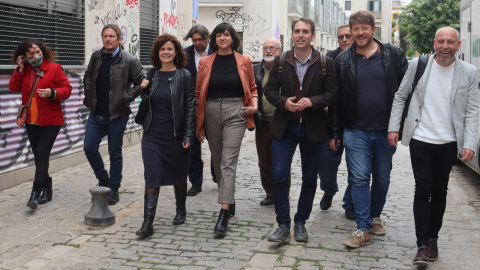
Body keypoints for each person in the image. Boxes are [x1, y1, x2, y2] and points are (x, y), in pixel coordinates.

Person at [388, 26, 479, 265]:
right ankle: (421, 246)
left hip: (449, 143)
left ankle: (433, 239)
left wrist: (470, 143)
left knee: (439, 191)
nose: (445, 46)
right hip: (421, 139)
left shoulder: (469, 72)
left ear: (458, 45)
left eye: (451, 42)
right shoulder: (418, 65)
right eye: (441, 42)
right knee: (423, 189)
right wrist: (393, 127)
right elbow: (400, 96)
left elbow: (472, 110)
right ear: (434, 43)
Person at [331, 11, 408, 248]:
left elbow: (407, 92)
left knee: (382, 177)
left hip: (387, 131)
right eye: (355, 29)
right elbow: (336, 99)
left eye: (364, 28)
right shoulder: (342, 60)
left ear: (373, 30)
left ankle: (375, 216)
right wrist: (335, 132)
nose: (360, 33)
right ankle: (363, 228)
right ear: (351, 32)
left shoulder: (393, 54)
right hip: (355, 131)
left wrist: (401, 123)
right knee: (359, 178)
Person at [264, 17, 338, 243]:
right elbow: (269, 91)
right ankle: (283, 224)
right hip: (285, 127)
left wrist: (313, 101)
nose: (301, 35)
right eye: (297, 31)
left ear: (312, 36)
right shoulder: (281, 60)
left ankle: (300, 222)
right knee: (278, 175)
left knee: (309, 177)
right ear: (292, 34)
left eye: (305, 31)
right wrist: (284, 102)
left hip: (313, 128)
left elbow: (333, 93)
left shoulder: (325, 62)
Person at [196, 22, 258, 236]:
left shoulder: (244, 60)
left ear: (233, 38)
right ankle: (228, 198)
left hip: (236, 111)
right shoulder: (205, 62)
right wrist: (200, 122)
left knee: (228, 162)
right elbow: (198, 94)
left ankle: (223, 213)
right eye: (219, 35)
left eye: (226, 34)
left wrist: (255, 104)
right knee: (217, 159)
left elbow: (252, 87)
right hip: (211, 110)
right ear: (214, 39)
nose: (223, 38)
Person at [135, 34, 195, 237]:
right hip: (152, 134)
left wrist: (188, 135)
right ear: (157, 53)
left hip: (176, 134)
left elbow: (189, 107)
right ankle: (147, 223)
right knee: (152, 175)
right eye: (162, 49)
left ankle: (181, 209)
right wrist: (141, 89)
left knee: (179, 174)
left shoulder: (184, 76)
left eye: (170, 49)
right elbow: (143, 101)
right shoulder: (151, 74)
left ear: (176, 52)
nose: (166, 52)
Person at [83, 24, 144, 205]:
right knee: (89, 148)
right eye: (105, 36)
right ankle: (103, 180)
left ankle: (114, 188)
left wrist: (126, 97)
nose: (108, 39)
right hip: (96, 114)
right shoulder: (96, 56)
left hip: (117, 114)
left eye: (111, 36)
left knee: (114, 152)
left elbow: (141, 83)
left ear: (119, 39)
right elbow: (87, 75)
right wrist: (88, 90)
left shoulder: (129, 60)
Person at [9, 39, 72, 209]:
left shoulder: (54, 68)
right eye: (30, 54)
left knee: (42, 153)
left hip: (51, 120)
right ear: (24, 57)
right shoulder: (25, 70)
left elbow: (67, 90)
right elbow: (13, 87)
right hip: (31, 120)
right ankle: (48, 185)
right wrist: (20, 69)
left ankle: (36, 192)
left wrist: (52, 92)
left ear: (42, 50)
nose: (35, 55)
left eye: (37, 51)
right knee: (39, 155)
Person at [319, 24, 354, 215]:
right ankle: (329, 189)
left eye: (348, 36)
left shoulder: (361, 59)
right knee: (325, 163)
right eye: (341, 37)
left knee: (356, 168)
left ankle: (350, 203)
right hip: (330, 122)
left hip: (355, 123)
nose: (345, 40)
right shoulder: (327, 60)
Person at [253, 38, 291, 206]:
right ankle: (270, 193)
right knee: (264, 162)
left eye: (272, 48)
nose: (268, 51)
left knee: (282, 162)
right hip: (262, 123)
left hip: (283, 123)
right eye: (265, 47)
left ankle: (282, 193)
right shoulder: (255, 70)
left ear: (280, 50)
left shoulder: (287, 69)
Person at [183, 24, 215, 196]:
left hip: (212, 105)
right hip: (191, 107)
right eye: (194, 40)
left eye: (200, 39)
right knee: (192, 147)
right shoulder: (185, 55)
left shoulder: (216, 52)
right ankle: (196, 182)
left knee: (216, 144)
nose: (197, 43)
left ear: (207, 38)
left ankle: (217, 175)